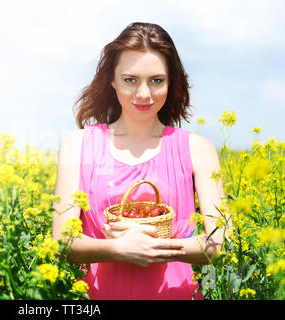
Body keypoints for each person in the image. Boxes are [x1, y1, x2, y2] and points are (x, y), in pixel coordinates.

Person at [52, 22, 231, 300]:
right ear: (111, 79)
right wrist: (120, 249)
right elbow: (62, 241)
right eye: (130, 80)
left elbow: (220, 243)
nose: (144, 94)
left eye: (157, 80)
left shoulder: (199, 149)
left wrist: (154, 247)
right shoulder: (77, 145)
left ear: (172, 83)